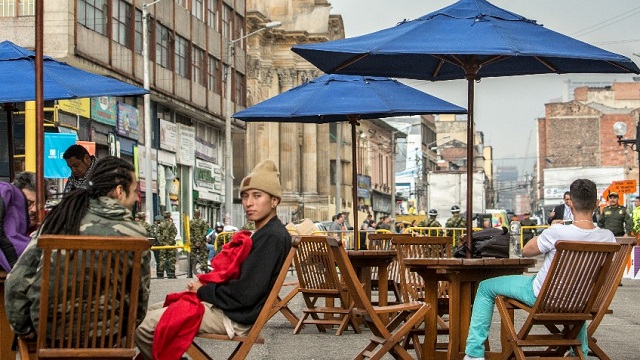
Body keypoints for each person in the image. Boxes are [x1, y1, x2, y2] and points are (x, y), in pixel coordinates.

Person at [134, 159, 292, 360]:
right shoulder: (265, 233)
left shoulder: (272, 237)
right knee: (143, 315)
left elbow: (245, 294)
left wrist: (203, 291)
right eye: (245, 196)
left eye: (257, 196)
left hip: (234, 316)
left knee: (144, 326)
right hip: (231, 308)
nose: (249, 203)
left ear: (274, 200)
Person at [462, 178, 616, 360]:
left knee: (486, 287)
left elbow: (526, 251)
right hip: (581, 303)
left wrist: (550, 229)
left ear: (571, 204)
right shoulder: (608, 237)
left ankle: (474, 354)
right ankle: (579, 352)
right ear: (597, 203)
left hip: (543, 297)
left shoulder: (557, 232)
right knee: (577, 294)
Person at [5, 156, 151, 341]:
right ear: (119, 191)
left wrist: (26, 330)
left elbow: (16, 283)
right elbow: (139, 301)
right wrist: (121, 333)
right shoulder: (136, 234)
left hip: (51, 338)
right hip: (107, 338)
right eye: (134, 191)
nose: (136, 197)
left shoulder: (60, 220)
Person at [0, 172, 41, 271]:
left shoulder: (49, 226)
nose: (34, 209)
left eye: (39, 204)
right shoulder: (6, 234)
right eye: (28, 203)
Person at [156, 211, 178, 279]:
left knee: (162, 259)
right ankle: (171, 274)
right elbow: (175, 232)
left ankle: (160, 275)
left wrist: (162, 242)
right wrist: (169, 242)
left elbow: (157, 234)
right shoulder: (172, 224)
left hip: (163, 245)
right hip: (171, 245)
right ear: (169, 216)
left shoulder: (160, 224)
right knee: (171, 259)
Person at [190, 209, 210, 274]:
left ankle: (190, 272)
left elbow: (189, 233)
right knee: (204, 256)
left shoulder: (191, 222)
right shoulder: (203, 222)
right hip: (202, 242)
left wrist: (195, 241)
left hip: (193, 243)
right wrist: (200, 240)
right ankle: (205, 270)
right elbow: (205, 232)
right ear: (199, 214)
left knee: (192, 257)